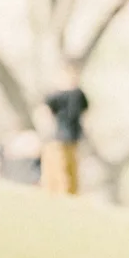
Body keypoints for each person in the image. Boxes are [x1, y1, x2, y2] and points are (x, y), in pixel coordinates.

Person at [41, 65, 89, 196]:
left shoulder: (77, 94)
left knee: (70, 167)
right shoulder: (58, 95)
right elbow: (45, 110)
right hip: (60, 136)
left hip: (71, 137)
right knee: (61, 167)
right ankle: (62, 192)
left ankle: (69, 193)